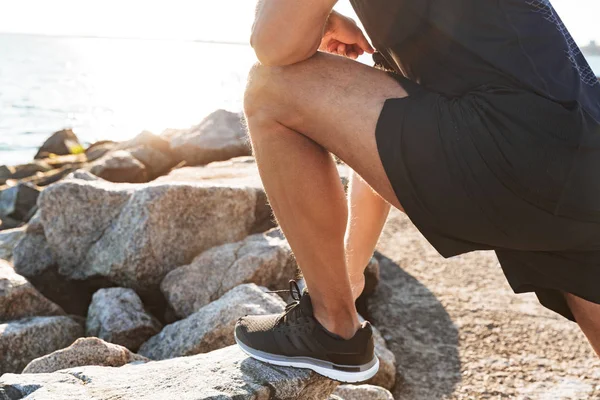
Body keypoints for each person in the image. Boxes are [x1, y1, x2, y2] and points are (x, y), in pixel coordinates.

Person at [234, 0, 600, 383]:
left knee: (269, 87)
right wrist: (349, 272)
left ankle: (329, 326)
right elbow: (385, 126)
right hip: (578, 144)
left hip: (512, 146)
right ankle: (333, 317)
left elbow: (273, 45)